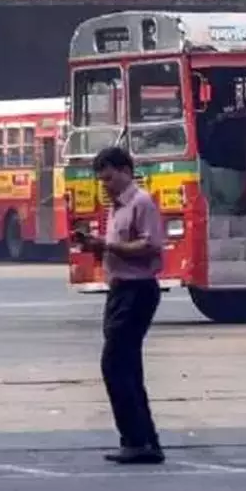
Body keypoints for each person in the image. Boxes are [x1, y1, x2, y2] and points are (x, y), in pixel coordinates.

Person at [73, 146, 166, 465]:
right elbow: (119, 248)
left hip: (137, 289)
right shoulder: (114, 208)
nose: (106, 185)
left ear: (126, 171)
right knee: (126, 367)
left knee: (115, 364)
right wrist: (96, 247)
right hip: (119, 288)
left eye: (110, 178)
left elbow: (150, 244)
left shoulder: (141, 202)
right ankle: (143, 440)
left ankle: (137, 439)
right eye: (102, 180)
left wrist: (109, 245)